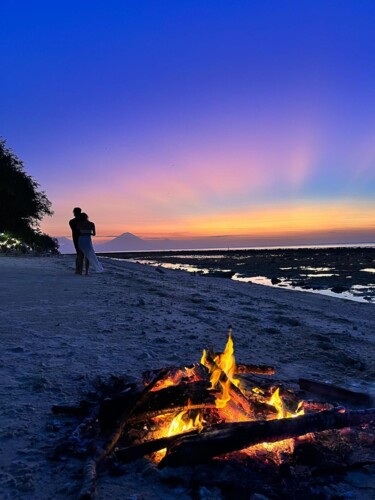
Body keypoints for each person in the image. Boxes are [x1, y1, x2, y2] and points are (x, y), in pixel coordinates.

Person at [69, 207, 84, 274]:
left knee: (79, 253)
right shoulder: (73, 221)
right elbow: (76, 229)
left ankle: (78, 269)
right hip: (78, 238)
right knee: (80, 253)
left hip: (77, 237)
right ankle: (79, 269)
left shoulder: (72, 221)